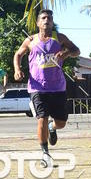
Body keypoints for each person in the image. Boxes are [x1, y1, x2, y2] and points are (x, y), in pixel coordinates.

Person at [14, 10, 80, 166]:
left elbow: (76, 51)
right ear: (38, 23)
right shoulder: (30, 40)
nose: (46, 20)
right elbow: (18, 54)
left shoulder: (60, 38)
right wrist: (17, 69)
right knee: (41, 118)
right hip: (37, 87)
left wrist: (66, 54)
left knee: (61, 122)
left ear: (52, 22)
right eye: (43, 18)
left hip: (57, 87)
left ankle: (52, 127)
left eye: (49, 18)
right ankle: (45, 154)